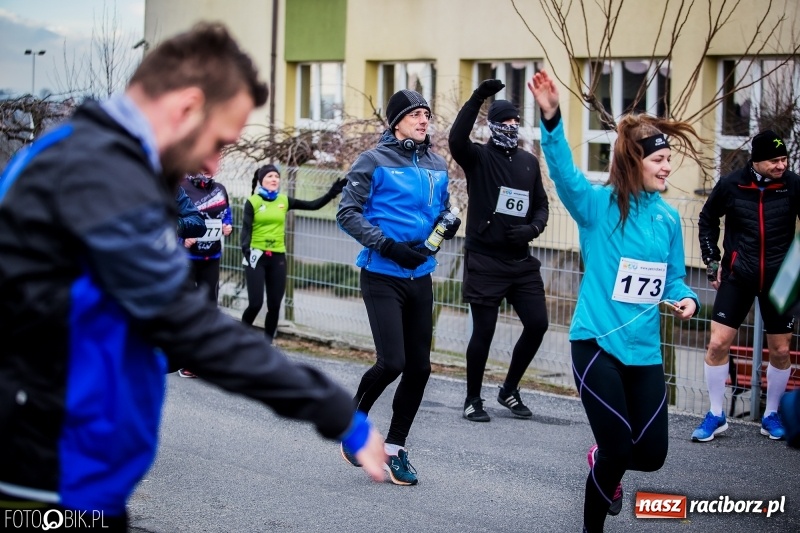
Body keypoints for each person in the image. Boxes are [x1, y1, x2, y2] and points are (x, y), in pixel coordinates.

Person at [0, 22, 385, 530]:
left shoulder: (110, 162)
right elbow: (184, 322)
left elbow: (110, 315)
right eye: (219, 140)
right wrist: (338, 412)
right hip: (45, 477)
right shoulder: (98, 173)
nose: (215, 161)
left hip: (80, 473)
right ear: (185, 107)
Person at [528, 70, 699, 531]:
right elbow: (563, 170)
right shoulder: (597, 207)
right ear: (635, 162)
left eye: (669, 160)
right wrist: (551, 118)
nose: (666, 167)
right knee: (620, 448)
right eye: (659, 159)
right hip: (596, 344)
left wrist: (687, 300)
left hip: (643, 351)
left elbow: (675, 280)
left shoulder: (666, 219)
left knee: (652, 455)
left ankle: (600, 457)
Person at [336, 89, 460, 486]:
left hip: (419, 274)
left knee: (420, 367)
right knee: (393, 362)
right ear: (396, 122)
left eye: (427, 114)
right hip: (382, 274)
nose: (424, 120)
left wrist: (446, 225)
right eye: (415, 115)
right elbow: (347, 213)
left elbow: (440, 210)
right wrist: (387, 245)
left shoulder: (436, 163)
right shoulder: (372, 161)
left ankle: (395, 448)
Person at [449, 79, 550, 422]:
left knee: (538, 324)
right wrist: (478, 97)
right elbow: (455, 140)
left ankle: (508, 389)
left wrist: (532, 228)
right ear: (491, 126)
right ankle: (472, 398)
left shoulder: (528, 162)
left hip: (520, 261)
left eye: (515, 123)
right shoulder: (478, 156)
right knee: (485, 332)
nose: (511, 128)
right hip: (485, 259)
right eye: (504, 123)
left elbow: (541, 205)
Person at [694, 129, 800, 442]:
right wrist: (712, 261)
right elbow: (707, 220)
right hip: (738, 275)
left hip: (783, 279)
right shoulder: (731, 185)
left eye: (784, 159)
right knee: (717, 344)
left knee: (781, 349)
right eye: (774, 161)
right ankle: (715, 413)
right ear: (757, 161)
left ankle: (772, 415)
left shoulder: (793, 184)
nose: (781, 165)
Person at [240, 164, 346, 343]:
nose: (274, 179)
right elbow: (245, 230)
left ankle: (267, 345)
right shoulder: (253, 202)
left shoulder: (284, 200)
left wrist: (332, 193)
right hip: (256, 257)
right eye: (270, 176)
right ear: (261, 181)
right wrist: (246, 248)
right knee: (256, 303)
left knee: (274, 305)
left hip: (278, 257)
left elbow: (312, 205)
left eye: (276, 176)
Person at [177, 172, 233, 379]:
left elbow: (227, 213)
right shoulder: (182, 186)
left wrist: (228, 226)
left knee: (209, 308)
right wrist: (182, 237)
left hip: (212, 256)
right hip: (188, 258)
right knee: (189, 309)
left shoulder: (220, 188)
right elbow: (171, 216)